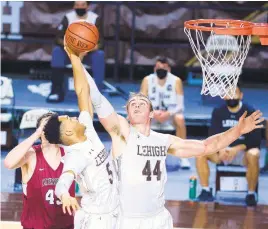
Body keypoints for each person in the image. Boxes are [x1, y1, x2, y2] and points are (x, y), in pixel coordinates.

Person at [80, 57, 263, 228]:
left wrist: (237, 131)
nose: (136, 104)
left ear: (151, 113)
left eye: (142, 103)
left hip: (158, 218)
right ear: (127, 114)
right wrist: (76, 60)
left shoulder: (164, 141)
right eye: (132, 104)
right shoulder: (121, 132)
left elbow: (208, 146)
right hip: (124, 217)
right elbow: (96, 98)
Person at [45, 45, 118, 229]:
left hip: (115, 212)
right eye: (69, 119)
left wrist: (74, 57)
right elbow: (63, 182)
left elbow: (82, 91)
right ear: (68, 133)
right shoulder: (75, 155)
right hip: (96, 220)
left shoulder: (86, 130)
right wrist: (65, 195)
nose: (74, 116)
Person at [4, 113, 75, 229]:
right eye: (47, 124)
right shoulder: (31, 155)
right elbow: (8, 163)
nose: (50, 127)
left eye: (54, 124)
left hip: (66, 225)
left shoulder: (70, 154)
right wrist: (37, 133)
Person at [196, 84, 262, 206]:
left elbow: (255, 141)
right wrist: (221, 149)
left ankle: (251, 193)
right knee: (201, 152)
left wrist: (236, 149)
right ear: (224, 97)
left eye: (235, 93)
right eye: (228, 94)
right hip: (222, 153)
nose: (231, 96)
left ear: (241, 95)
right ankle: (205, 190)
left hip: (242, 155)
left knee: (254, 153)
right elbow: (213, 135)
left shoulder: (250, 112)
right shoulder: (218, 112)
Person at [47, 1, 105, 103]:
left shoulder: (95, 19)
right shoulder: (68, 18)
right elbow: (58, 39)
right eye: (77, 5)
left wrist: (86, 49)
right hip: (70, 52)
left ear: (87, 6)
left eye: (82, 5)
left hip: (88, 54)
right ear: (74, 6)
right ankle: (56, 91)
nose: (80, 7)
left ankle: (97, 95)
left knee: (99, 55)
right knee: (57, 52)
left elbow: (100, 43)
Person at [140, 57, 190, 169]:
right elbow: (141, 103)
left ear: (169, 69)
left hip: (169, 117)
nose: (161, 70)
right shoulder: (147, 80)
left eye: (164, 68)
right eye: (158, 67)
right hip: (152, 116)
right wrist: (153, 113)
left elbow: (180, 106)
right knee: (136, 117)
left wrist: (168, 114)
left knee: (180, 119)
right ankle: (139, 154)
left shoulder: (176, 81)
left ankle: (183, 157)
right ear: (154, 69)